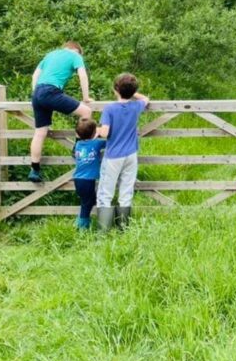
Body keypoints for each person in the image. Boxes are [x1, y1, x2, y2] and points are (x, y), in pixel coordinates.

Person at [28, 41, 92, 183]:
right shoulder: (75, 56)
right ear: (76, 50)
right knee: (86, 112)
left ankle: (34, 170)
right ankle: (78, 148)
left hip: (37, 93)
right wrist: (86, 98)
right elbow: (82, 76)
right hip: (51, 91)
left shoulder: (50, 55)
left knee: (40, 133)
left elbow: (35, 76)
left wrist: (35, 93)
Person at [95, 73, 149, 231]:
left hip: (113, 156)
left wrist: (97, 129)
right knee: (126, 190)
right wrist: (133, 93)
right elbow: (146, 99)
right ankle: (123, 228)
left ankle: (103, 231)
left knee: (105, 192)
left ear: (116, 89)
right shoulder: (135, 106)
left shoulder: (110, 108)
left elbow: (105, 133)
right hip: (131, 154)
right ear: (133, 91)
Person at [71, 118, 106, 230]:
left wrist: (94, 133)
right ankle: (82, 225)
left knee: (88, 201)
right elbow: (108, 143)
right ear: (94, 132)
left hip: (78, 179)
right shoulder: (96, 143)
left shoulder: (78, 144)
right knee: (87, 203)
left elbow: (87, 140)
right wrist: (100, 132)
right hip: (88, 180)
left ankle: (82, 222)